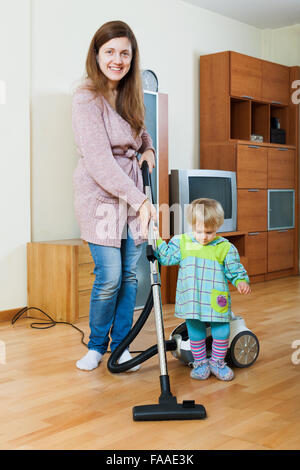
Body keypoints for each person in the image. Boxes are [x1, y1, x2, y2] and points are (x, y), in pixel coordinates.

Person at [72, 21, 156, 371]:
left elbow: (141, 135)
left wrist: (149, 149)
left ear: (132, 57)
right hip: (101, 196)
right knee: (109, 277)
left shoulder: (130, 94)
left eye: (124, 52)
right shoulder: (86, 96)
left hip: (133, 193)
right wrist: (139, 200)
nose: (117, 59)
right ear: (97, 54)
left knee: (130, 276)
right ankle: (96, 346)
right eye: (110, 52)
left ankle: (121, 347)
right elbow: (100, 161)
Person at [153, 198, 251, 381]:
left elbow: (234, 270)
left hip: (216, 299)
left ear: (218, 227)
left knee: (222, 330)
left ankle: (217, 362)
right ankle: (200, 363)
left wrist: (241, 281)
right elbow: (166, 257)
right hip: (192, 299)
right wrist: (155, 239)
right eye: (199, 231)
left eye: (209, 232)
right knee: (195, 331)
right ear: (191, 225)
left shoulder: (224, 248)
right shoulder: (182, 242)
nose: (204, 237)